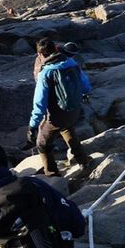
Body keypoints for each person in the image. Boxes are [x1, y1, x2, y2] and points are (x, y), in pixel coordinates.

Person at [27, 38, 93, 176]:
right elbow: (85, 85)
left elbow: (39, 103)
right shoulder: (72, 63)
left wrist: (32, 125)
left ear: (40, 54)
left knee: (42, 143)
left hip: (55, 117)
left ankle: (52, 174)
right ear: (56, 48)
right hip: (74, 111)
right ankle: (83, 160)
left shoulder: (45, 73)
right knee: (67, 128)